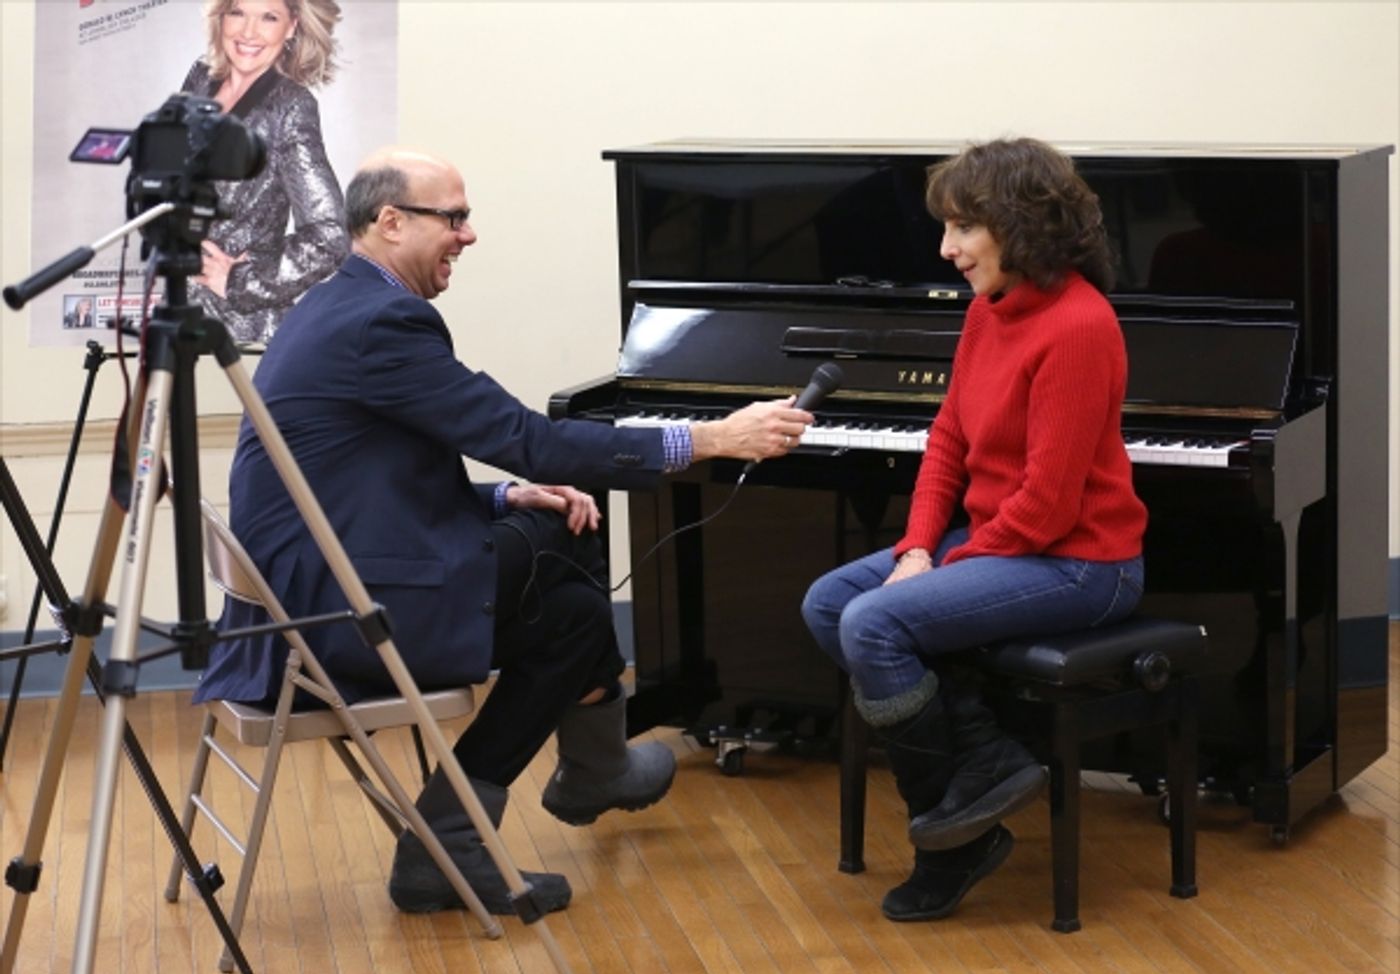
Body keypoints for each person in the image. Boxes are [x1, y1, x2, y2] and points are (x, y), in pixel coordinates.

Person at [194, 147, 814, 917]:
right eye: (453, 217)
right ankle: (585, 769)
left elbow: (362, 480)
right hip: (341, 616)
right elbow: (530, 439)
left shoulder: (333, 304)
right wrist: (712, 438)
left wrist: (505, 497)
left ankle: (478, 829)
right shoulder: (383, 321)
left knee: (571, 604)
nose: (469, 234)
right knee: (570, 547)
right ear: (391, 222)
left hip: (301, 603)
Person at [801, 137, 1148, 922]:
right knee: (829, 604)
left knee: (873, 621)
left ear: (1020, 224)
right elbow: (949, 442)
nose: (945, 248)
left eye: (963, 227)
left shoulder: (1079, 326)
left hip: (1084, 563)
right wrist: (918, 547)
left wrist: (939, 570)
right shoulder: (988, 311)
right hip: (1008, 543)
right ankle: (982, 755)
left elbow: (1048, 510)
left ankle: (947, 846)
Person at [182, 0, 349, 344]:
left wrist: (242, 281)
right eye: (237, 13)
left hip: (243, 330)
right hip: (179, 312)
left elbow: (330, 235)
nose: (248, 32)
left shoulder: (290, 106)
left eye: (269, 18)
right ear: (221, 17)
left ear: (291, 26)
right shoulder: (201, 78)